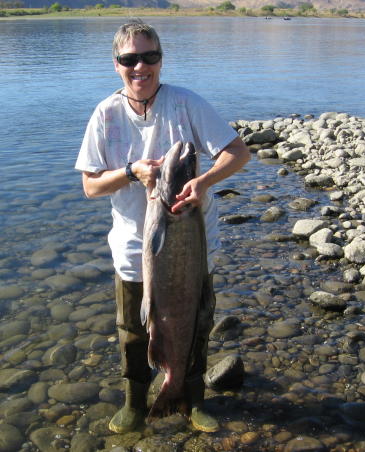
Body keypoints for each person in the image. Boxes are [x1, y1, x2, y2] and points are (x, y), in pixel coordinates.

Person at [75, 18, 250, 434]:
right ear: (116, 64)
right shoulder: (105, 114)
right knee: (134, 329)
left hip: (191, 244)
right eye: (130, 58)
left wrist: (203, 181)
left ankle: (190, 399)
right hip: (134, 249)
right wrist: (132, 172)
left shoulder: (186, 103)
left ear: (161, 60)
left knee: (196, 320)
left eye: (149, 56)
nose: (141, 67)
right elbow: (90, 187)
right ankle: (136, 402)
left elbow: (238, 153)